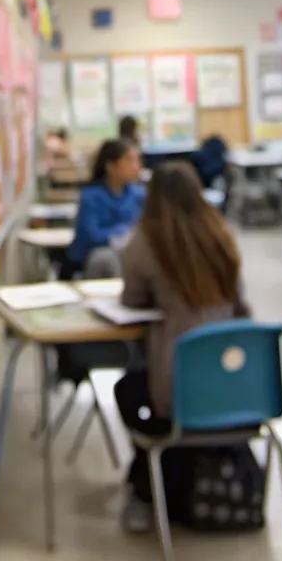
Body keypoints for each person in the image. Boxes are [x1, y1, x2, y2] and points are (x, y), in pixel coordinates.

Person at [113, 162, 250, 532]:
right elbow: (241, 304)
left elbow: (131, 301)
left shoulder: (145, 242)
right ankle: (158, 479)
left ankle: (147, 484)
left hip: (180, 391)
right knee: (160, 383)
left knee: (129, 389)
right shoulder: (221, 235)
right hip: (240, 388)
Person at [62, 137, 145, 278]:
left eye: (138, 160)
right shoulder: (91, 196)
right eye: (130, 161)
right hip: (93, 263)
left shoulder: (139, 195)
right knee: (106, 258)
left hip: (129, 260)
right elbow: (91, 236)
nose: (137, 166)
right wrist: (122, 234)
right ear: (111, 166)